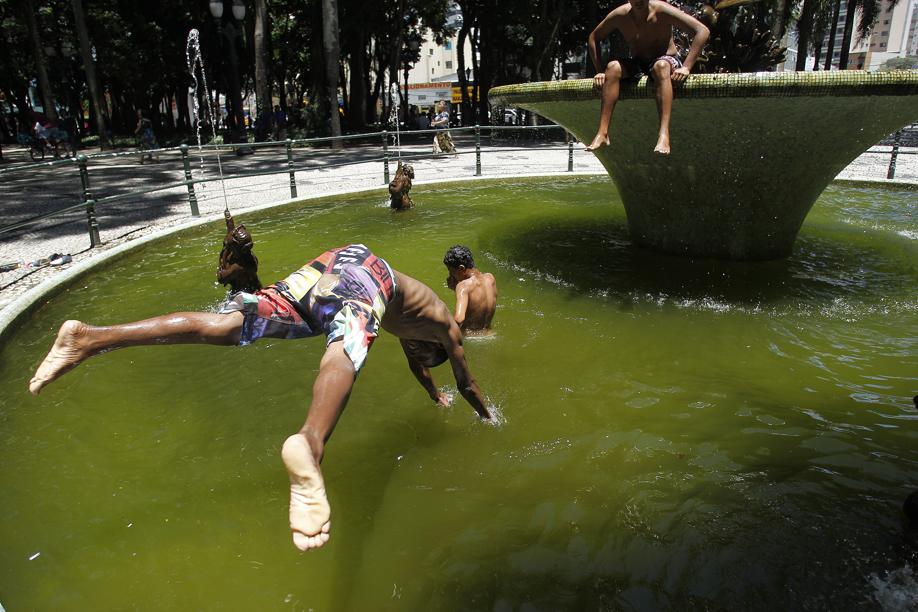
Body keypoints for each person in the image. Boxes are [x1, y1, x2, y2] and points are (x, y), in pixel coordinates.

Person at [29, 232, 492, 552]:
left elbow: (426, 372)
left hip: (334, 262)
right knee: (345, 349)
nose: (410, 350)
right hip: (370, 274)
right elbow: (466, 382)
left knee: (235, 324)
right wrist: (488, 417)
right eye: (416, 351)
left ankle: (89, 339)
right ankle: (309, 443)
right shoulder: (448, 331)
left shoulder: (417, 334)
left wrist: (434, 397)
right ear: (428, 347)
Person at [585, 0, 709, 155]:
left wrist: (686, 67)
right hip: (639, 62)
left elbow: (702, 30)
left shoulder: (662, 10)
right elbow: (593, 37)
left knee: (661, 67)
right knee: (612, 68)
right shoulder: (620, 15)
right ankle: (602, 133)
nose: (638, 2)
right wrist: (599, 70)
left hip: (666, 60)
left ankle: (664, 134)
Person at [443, 245, 498, 333]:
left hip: (470, 337)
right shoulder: (490, 278)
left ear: (461, 268)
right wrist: (455, 289)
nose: (450, 275)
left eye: (451, 271)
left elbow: (458, 319)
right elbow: (476, 304)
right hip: (489, 334)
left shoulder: (463, 286)